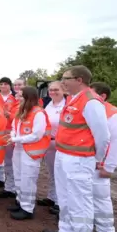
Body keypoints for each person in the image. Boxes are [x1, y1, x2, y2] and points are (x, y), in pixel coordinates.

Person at [42, 65, 110, 232]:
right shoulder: (74, 99)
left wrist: (95, 158)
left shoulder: (91, 102)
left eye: (66, 78)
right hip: (65, 155)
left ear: (79, 80)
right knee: (64, 197)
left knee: (80, 201)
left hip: (79, 159)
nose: (62, 81)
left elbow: (103, 136)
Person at [89, 82, 117, 232]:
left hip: (100, 165)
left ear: (102, 96)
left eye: (91, 93)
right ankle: (91, 225)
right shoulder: (96, 111)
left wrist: (109, 166)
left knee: (100, 198)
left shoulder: (115, 115)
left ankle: (106, 231)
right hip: (89, 162)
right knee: (89, 197)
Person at [7, 86, 51, 220]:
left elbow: (37, 135)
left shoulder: (38, 113)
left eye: (20, 96)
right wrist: (14, 135)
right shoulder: (22, 110)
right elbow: (14, 127)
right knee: (19, 177)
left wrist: (16, 138)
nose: (17, 98)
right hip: (20, 148)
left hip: (31, 151)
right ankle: (20, 201)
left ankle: (27, 208)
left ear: (28, 97)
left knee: (28, 179)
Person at [38, 81, 66, 214]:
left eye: (56, 90)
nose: (53, 92)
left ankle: (60, 203)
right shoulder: (49, 104)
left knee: (61, 174)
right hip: (47, 143)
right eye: (51, 90)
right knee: (52, 172)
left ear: (63, 90)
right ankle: (52, 196)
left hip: (59, 144)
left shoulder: (66, 105)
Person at [0, 77, 19, 198]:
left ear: (10, 86)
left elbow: (18, 116)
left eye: (6, 84)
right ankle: (1, 181)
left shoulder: (15, 98)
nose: (3, 86)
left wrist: (9, 115)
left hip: (10, 132)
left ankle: (11, 187)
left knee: (10, 160)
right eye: (1, 84)